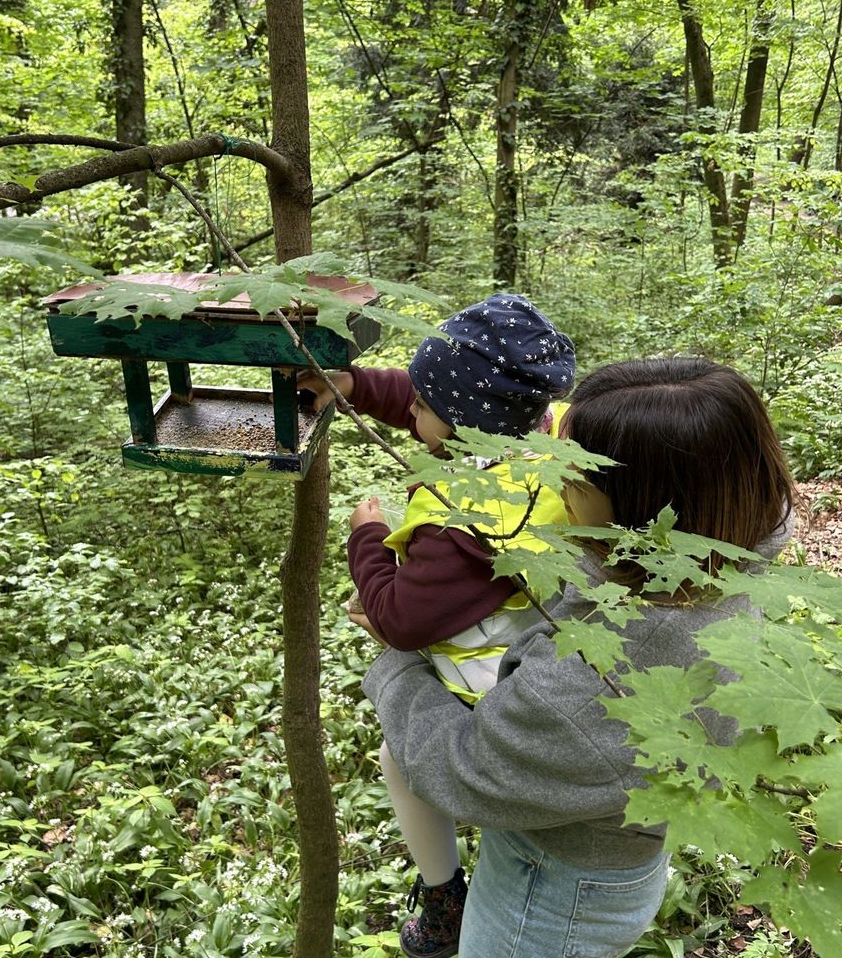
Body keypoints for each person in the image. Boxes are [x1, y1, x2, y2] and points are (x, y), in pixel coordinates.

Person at [359, 357, 795, 958]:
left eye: (578, 477)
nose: (555, 483)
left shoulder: (600, 674)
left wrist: (398, 661)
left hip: (552, 894)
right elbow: (480, 396)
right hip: (607, 842)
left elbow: (469, 771)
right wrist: (359, 387)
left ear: (639, 505)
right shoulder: (726, 544)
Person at [299, 294, 577, 958]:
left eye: (421, 406)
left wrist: (366, 540)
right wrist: (357, 387)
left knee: (404, 754)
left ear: (459, 426)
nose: (411, 409)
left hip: (496, 691)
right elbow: (436, 407)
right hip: (554, 648)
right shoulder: (555, 432)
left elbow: (400, 621)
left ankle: (443, 893)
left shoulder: (462, 526)